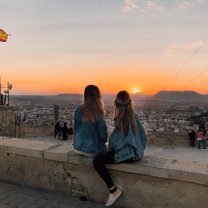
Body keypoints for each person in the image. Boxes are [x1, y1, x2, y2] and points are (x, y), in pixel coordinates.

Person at [93, 90, 147, 207]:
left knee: (97, 161)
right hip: (137, 153)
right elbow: (143, 137)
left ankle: (113, 190)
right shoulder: (134, 117)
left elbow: (114, 143)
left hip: (127, 155)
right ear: (130, 102)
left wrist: (110, 148)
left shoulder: (121, 120)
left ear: (116, 104)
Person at [73, 85, 108, 157]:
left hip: (77, 148)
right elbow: (103, 137)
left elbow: (75, 129)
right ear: (98, 96)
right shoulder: (98, 111)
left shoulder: (78, 109)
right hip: (93, 150)